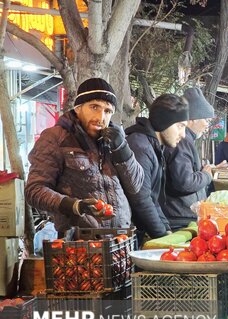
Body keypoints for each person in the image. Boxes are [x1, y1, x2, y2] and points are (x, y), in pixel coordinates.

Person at [25, 78, 144, 235]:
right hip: (80, 245)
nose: (101, 117)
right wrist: (75, 205)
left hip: (120, 240)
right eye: (94, 107)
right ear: (78, 108)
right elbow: (35, 190)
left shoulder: (114, 140)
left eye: (108, 111)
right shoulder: (56, 137)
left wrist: (122, 148)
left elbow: (135, 186)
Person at [125, 94, 189, 241]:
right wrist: (162, 237)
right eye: (180, 126)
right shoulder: (141, 147)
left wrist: (166, 230)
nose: (183, 134)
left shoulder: (152, 145)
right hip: (130, 236)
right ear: (163, 122)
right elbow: (141, 200)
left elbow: (153, 199)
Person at [161, 88, 220, 230]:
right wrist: (206, 175)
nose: (207, 125)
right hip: (179, 219)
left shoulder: (186, 140)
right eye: (205, 119)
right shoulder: (183, 141)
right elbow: (184, 182)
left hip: (180, 216)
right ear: (192, 119)